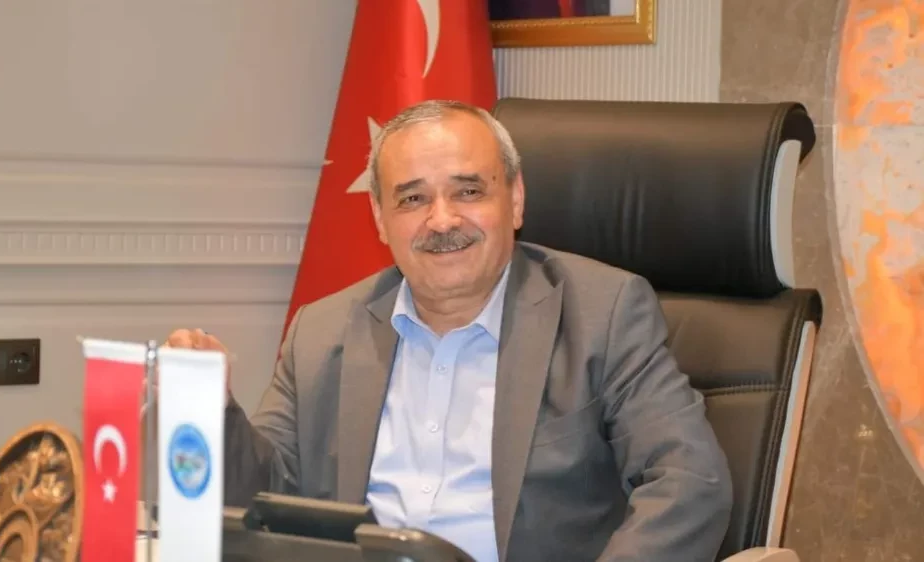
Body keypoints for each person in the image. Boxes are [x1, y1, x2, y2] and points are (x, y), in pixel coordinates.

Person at [164, 100, 732, 562]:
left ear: (515, 199)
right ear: (380, 219)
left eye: (468, 191)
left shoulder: (603, 312)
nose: (442, 220)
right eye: (413, 198)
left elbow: (689, 482)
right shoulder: (322, 330)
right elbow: (265, 503)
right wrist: (210, 411)